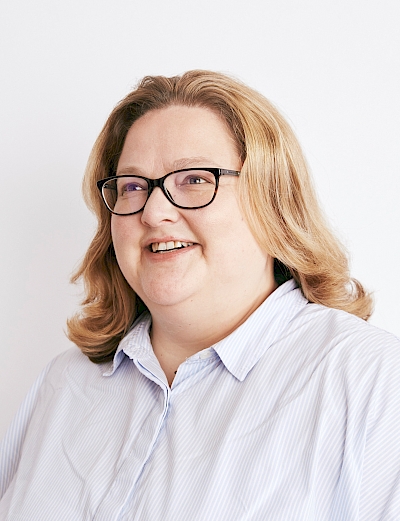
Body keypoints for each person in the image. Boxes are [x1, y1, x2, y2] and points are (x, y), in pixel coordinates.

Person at [0, 70, 399, 521]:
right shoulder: (65, 383)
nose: (154, 211)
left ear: (273, 200)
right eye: (132, 186)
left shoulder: (372, 381)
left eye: (194, 180)